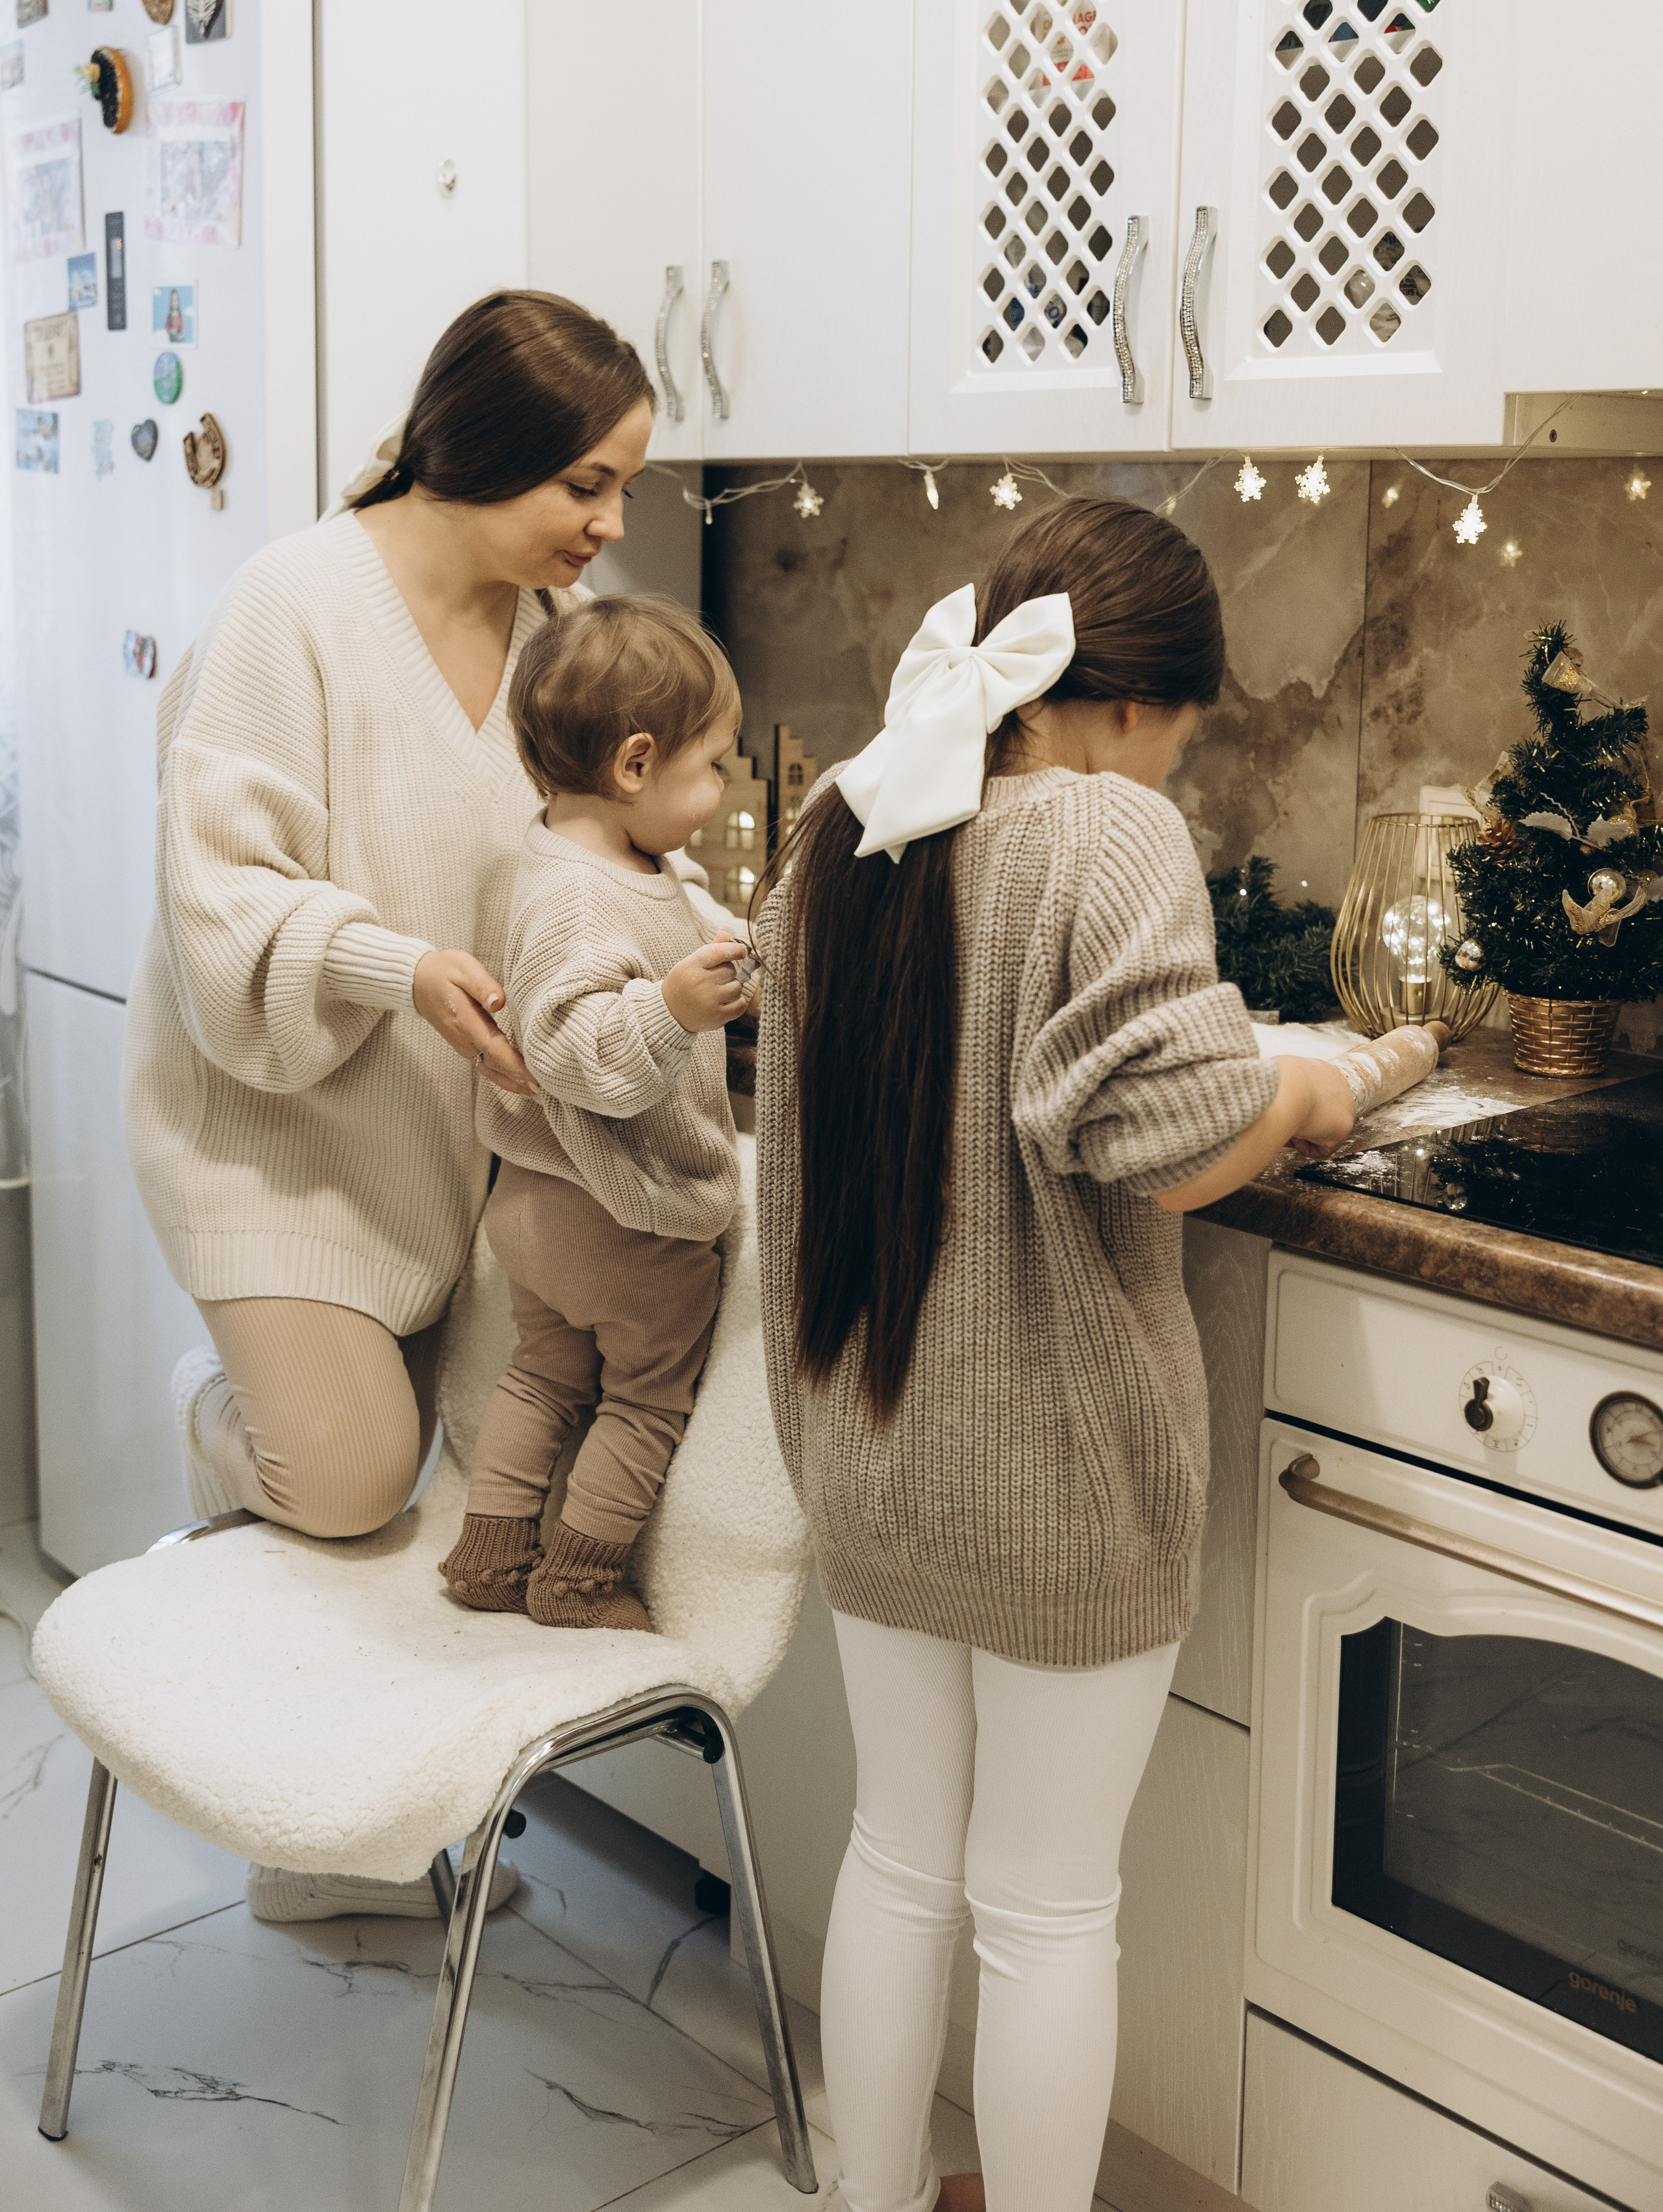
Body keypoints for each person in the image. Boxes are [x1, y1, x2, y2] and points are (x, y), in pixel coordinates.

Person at [752, 499, 1356, 2212]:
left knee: (895, 1855)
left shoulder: (843, 818)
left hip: (868, 1442)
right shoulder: (1102, 831)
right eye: (1184, 730)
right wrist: (1308, 1089)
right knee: (1046, 1908)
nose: (1172, 765)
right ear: (1128, 706)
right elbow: (1170, 1134)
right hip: (1062, 1484)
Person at [124, 289, 687, 1918]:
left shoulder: (553, 645)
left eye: (626, 488)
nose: (609, 521)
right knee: (356, 1476)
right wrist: (399, 966)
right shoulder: (289, 607)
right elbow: (218, 898)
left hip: (440, 1145)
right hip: (268, 1133)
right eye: (586, 483)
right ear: (483, 457)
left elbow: (598, 847)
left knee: (421, 1524)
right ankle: (214, 1420)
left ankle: (327, 1870)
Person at [438, 596, 752, 1628]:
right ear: (634, 765)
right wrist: (668, 1010)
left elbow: (692, 915)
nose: (717, 794)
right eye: (712, 768)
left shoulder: (593, 861)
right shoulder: (580, 900)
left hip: (537, 1210)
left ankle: (490, 1560)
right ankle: (578, 1579)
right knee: (647, 1397)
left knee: (541, 1380)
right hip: (623, 1217)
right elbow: (576, 1054)